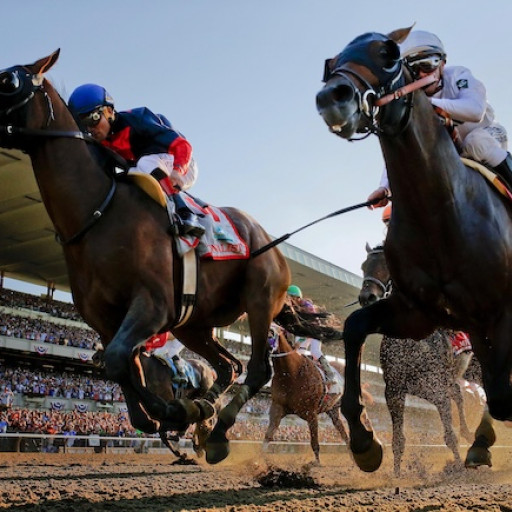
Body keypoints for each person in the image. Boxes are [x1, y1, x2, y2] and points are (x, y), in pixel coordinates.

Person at [368, 29, 512, 209]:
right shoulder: (412, 103)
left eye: (428, 64)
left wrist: (426, 104)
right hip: (451, 151)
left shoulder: (458, 75)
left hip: (488, 135)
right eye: (414, 68)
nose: (421, 74)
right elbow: (404, 148)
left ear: (442, 64)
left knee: (476, 142)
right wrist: (385, 187)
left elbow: (475, 111)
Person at [67, 84, 205, 237]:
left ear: (109, 112)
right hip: (148, 168)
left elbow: (182, 145)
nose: (89, 130)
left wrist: (178, 170)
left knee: (144, 165)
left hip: (181, 161)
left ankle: (185, 213)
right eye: (82, 126)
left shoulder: (138, 119)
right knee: (129, 176)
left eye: (92, 119)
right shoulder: (101, 143)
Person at [286, 285, 337, 385]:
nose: (288, 301)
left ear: (297, 298)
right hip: (305, 333)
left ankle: (329, 373)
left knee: (315, 351)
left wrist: (299, 341)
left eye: (289, 298)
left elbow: (310, 328)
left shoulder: (308, 306)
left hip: (315, 332)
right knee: (297, 352)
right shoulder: (293, 308)